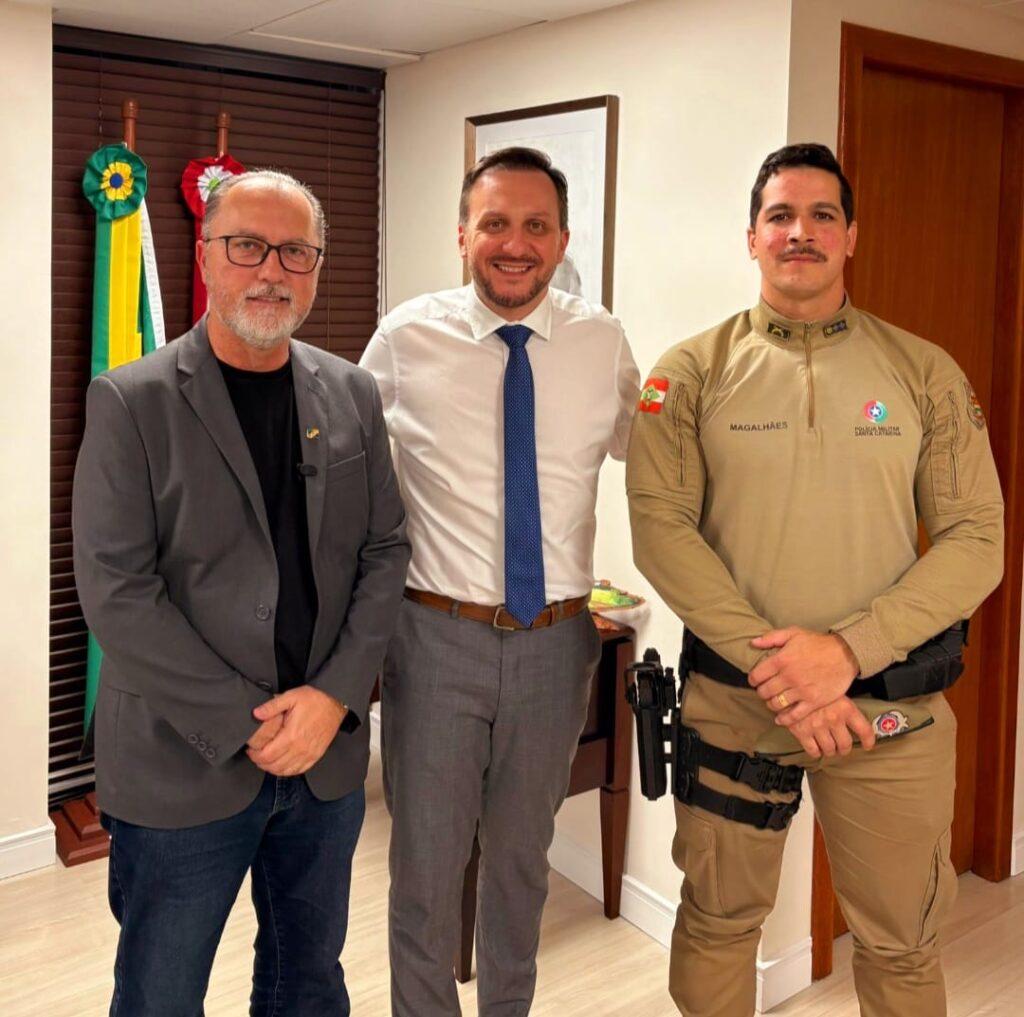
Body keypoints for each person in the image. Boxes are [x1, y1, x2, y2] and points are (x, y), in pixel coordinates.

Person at [626, 143, 1004, 1017]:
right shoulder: (688, 374)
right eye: (780, 216)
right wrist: (788, 673)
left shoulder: (925, 372)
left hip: (887, 710)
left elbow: (978, 537)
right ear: (751, 237)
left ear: (851, 236)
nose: (800, 231)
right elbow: (661, 532)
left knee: (903, 942)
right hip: (736, 704)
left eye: (822, 215)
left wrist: (847, 651)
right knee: (716, 925)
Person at [72, 169, 410, 1017]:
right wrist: (247, 724)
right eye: (248, 246)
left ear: (317, 265)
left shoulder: (353, 392)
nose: (271, 270)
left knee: (308, 983)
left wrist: (333, 698)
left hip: (325, 761)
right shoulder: (130, 400)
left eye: (295, 252)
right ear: (205, 256)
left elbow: (384, 550)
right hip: (182, 764)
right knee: (159, 994)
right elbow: (117, 590)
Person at [360, 146, 640, 1016]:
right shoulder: (405, 338)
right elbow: (343, 474)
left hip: (559, 644)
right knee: (426, 872)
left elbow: (660, 461)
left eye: (535, 225)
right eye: (494, 224)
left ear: (561, 240)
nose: (514, 244)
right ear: (462, 235)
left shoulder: (603, 342)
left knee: (522, 868)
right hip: (434, 639)